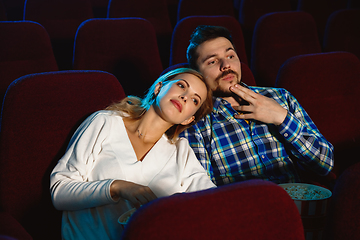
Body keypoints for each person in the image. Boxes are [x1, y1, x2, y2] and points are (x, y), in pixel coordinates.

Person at [50, 68, 216, 240]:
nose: (185, 97)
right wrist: (117, 187)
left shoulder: (182, 152)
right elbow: (59, 191)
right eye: (181, 85)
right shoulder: (105, 121)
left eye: (195, 100)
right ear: (159, 87)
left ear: (188, 119)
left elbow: (214, 204)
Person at [179, 25, 334, 186]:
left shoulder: (280, 97)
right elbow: (203, 192)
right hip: (247, 208)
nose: (226, 65)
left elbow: (325, 165)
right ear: (197, 74)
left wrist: (282, 118)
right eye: (213, 61)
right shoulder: (195, 121)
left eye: (231, 56)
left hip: (297, 203)